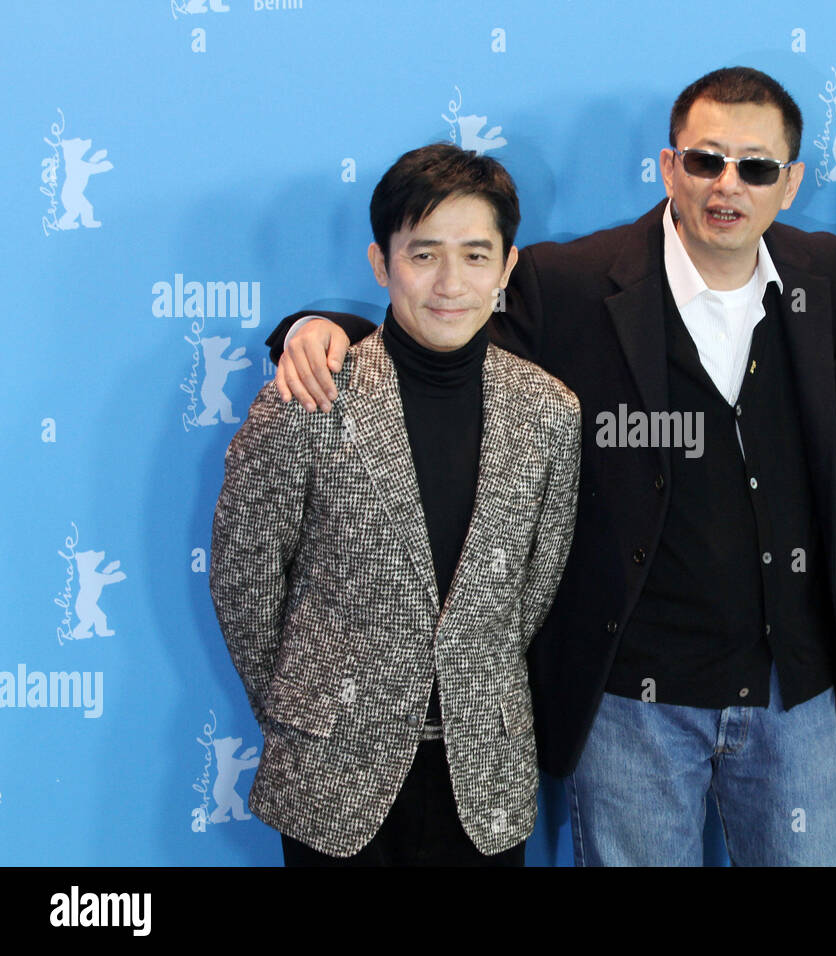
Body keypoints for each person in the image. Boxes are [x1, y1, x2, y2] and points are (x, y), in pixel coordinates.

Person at [269, 69, 836, 866]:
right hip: (630, 706)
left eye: (756, 167)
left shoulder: (821, 274)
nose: (729, 186)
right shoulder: (575, 282)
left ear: (789, 184)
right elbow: (443, 333)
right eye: (707, 160)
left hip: (796, 696)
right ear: (669, 166)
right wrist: (325, 329)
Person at [209, 143, 581, 866]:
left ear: (507, 268)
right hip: (332, 771)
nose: (450, 282)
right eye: (423, 255)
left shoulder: (549, 413)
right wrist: (303, 705)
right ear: (382, 264)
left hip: (485, 774)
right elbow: (244, 578)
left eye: (476, 256)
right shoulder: (308, 398)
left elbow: (533, 589)